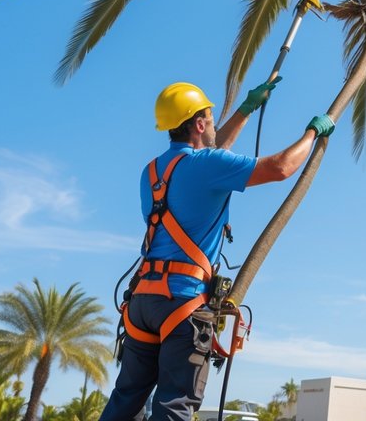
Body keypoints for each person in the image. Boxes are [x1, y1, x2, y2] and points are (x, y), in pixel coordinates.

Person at [97, 78, 335, 421]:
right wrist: (312, 133)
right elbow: (281, 167)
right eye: (210, 118)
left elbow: (207, 155)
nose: (213, 125)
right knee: (173, 406)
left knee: (126, 400)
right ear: (198, 124)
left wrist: (245, 111)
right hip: (182, 301)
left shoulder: (151, 172)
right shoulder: (206, 166)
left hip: (143, 302)